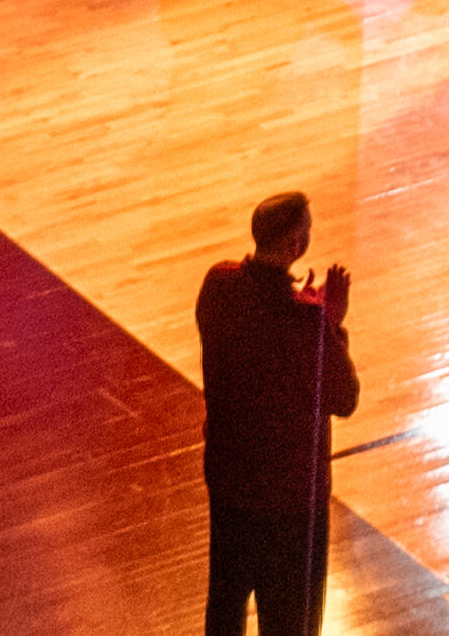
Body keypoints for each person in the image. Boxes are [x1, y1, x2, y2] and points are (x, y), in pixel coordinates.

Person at [196, 192, 358, 636]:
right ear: (295, 244)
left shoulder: (218, 286)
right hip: (291, 503)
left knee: (225, 604)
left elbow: (258, 328)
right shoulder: (307, 324)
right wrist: (330, 322)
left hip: (229, 484)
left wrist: (304, 308)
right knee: (290, 620)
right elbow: (344, 398)